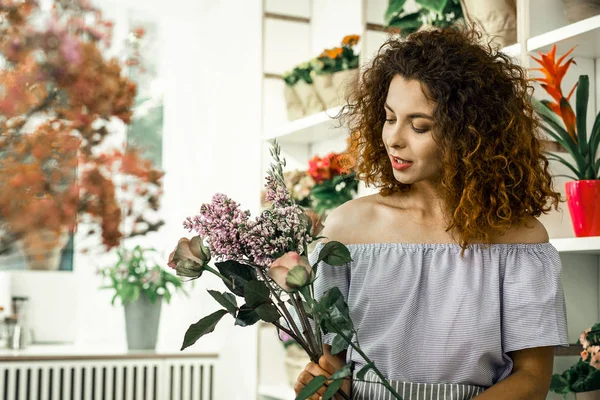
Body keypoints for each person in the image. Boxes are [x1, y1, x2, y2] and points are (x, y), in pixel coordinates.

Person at [293, 26, 569, 400]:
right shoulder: (347, 230)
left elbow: (533, 379)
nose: (394, 138)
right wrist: (320, 388)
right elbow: (335, 367)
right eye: (390, 118)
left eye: (419, 125)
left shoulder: (520, 242)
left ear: (469, 134)